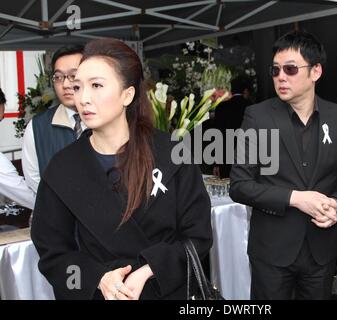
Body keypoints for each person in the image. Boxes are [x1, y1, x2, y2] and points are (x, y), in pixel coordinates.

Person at [30, 38, 212, 300]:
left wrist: (150, 269)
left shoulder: (172, 153)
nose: (84, 98)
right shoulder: (62, 169)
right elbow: (52, 254)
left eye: (96, 86)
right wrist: (97, 278)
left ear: (128, 94)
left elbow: (199, 235)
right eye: (78, 87)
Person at [229, 30, 337, 300]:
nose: (281, 76)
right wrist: (295, 198)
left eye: (290, 69)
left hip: (321, 252)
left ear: (315, 72)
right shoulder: (257, 117)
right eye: (276, 69)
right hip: (271, 251)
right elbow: (240, 185)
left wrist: (336, 205)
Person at [22, 45, 85, 194]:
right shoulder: (37, 127)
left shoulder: (108, 121)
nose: (65, 84)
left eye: (73, 75)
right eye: (58, 77)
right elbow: (34, 179)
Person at [213, 76, 253, 178]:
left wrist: (217, 163)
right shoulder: (251, 107)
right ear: (245, 90)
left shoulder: (221, 107)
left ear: (231, 90)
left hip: (225, 154)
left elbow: (217, 134)